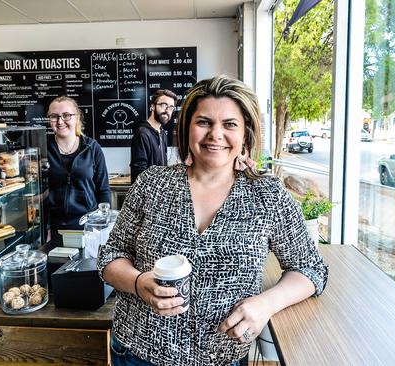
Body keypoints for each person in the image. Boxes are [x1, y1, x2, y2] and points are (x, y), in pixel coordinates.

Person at [98, 75, 328, 366]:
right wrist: (138, 282)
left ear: (245, 133)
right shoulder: (152, 184)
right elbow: (111, 256)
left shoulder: (267, 195)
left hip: (222, 357)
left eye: (229, 124)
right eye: (204, 122)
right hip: (138, 353)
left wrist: (266, 304)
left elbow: (310, 268)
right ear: (187, 128)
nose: (215, 134)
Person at [45, 96, 110, 242]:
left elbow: (103, 190)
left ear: (77, 117)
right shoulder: (43, 149)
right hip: (54, 228)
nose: (60, 121)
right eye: (54, 116)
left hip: (87, 226)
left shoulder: (92, 148)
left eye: (66, 115)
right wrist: (46, 227)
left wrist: (101, 227)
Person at [129, 89, 178, 183]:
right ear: (152, 106)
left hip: (158, 192)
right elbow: (139, 173)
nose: (167, 110)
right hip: (146, 194)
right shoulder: (142, 133)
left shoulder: (162, 133)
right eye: (163, 105)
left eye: (171, 107)